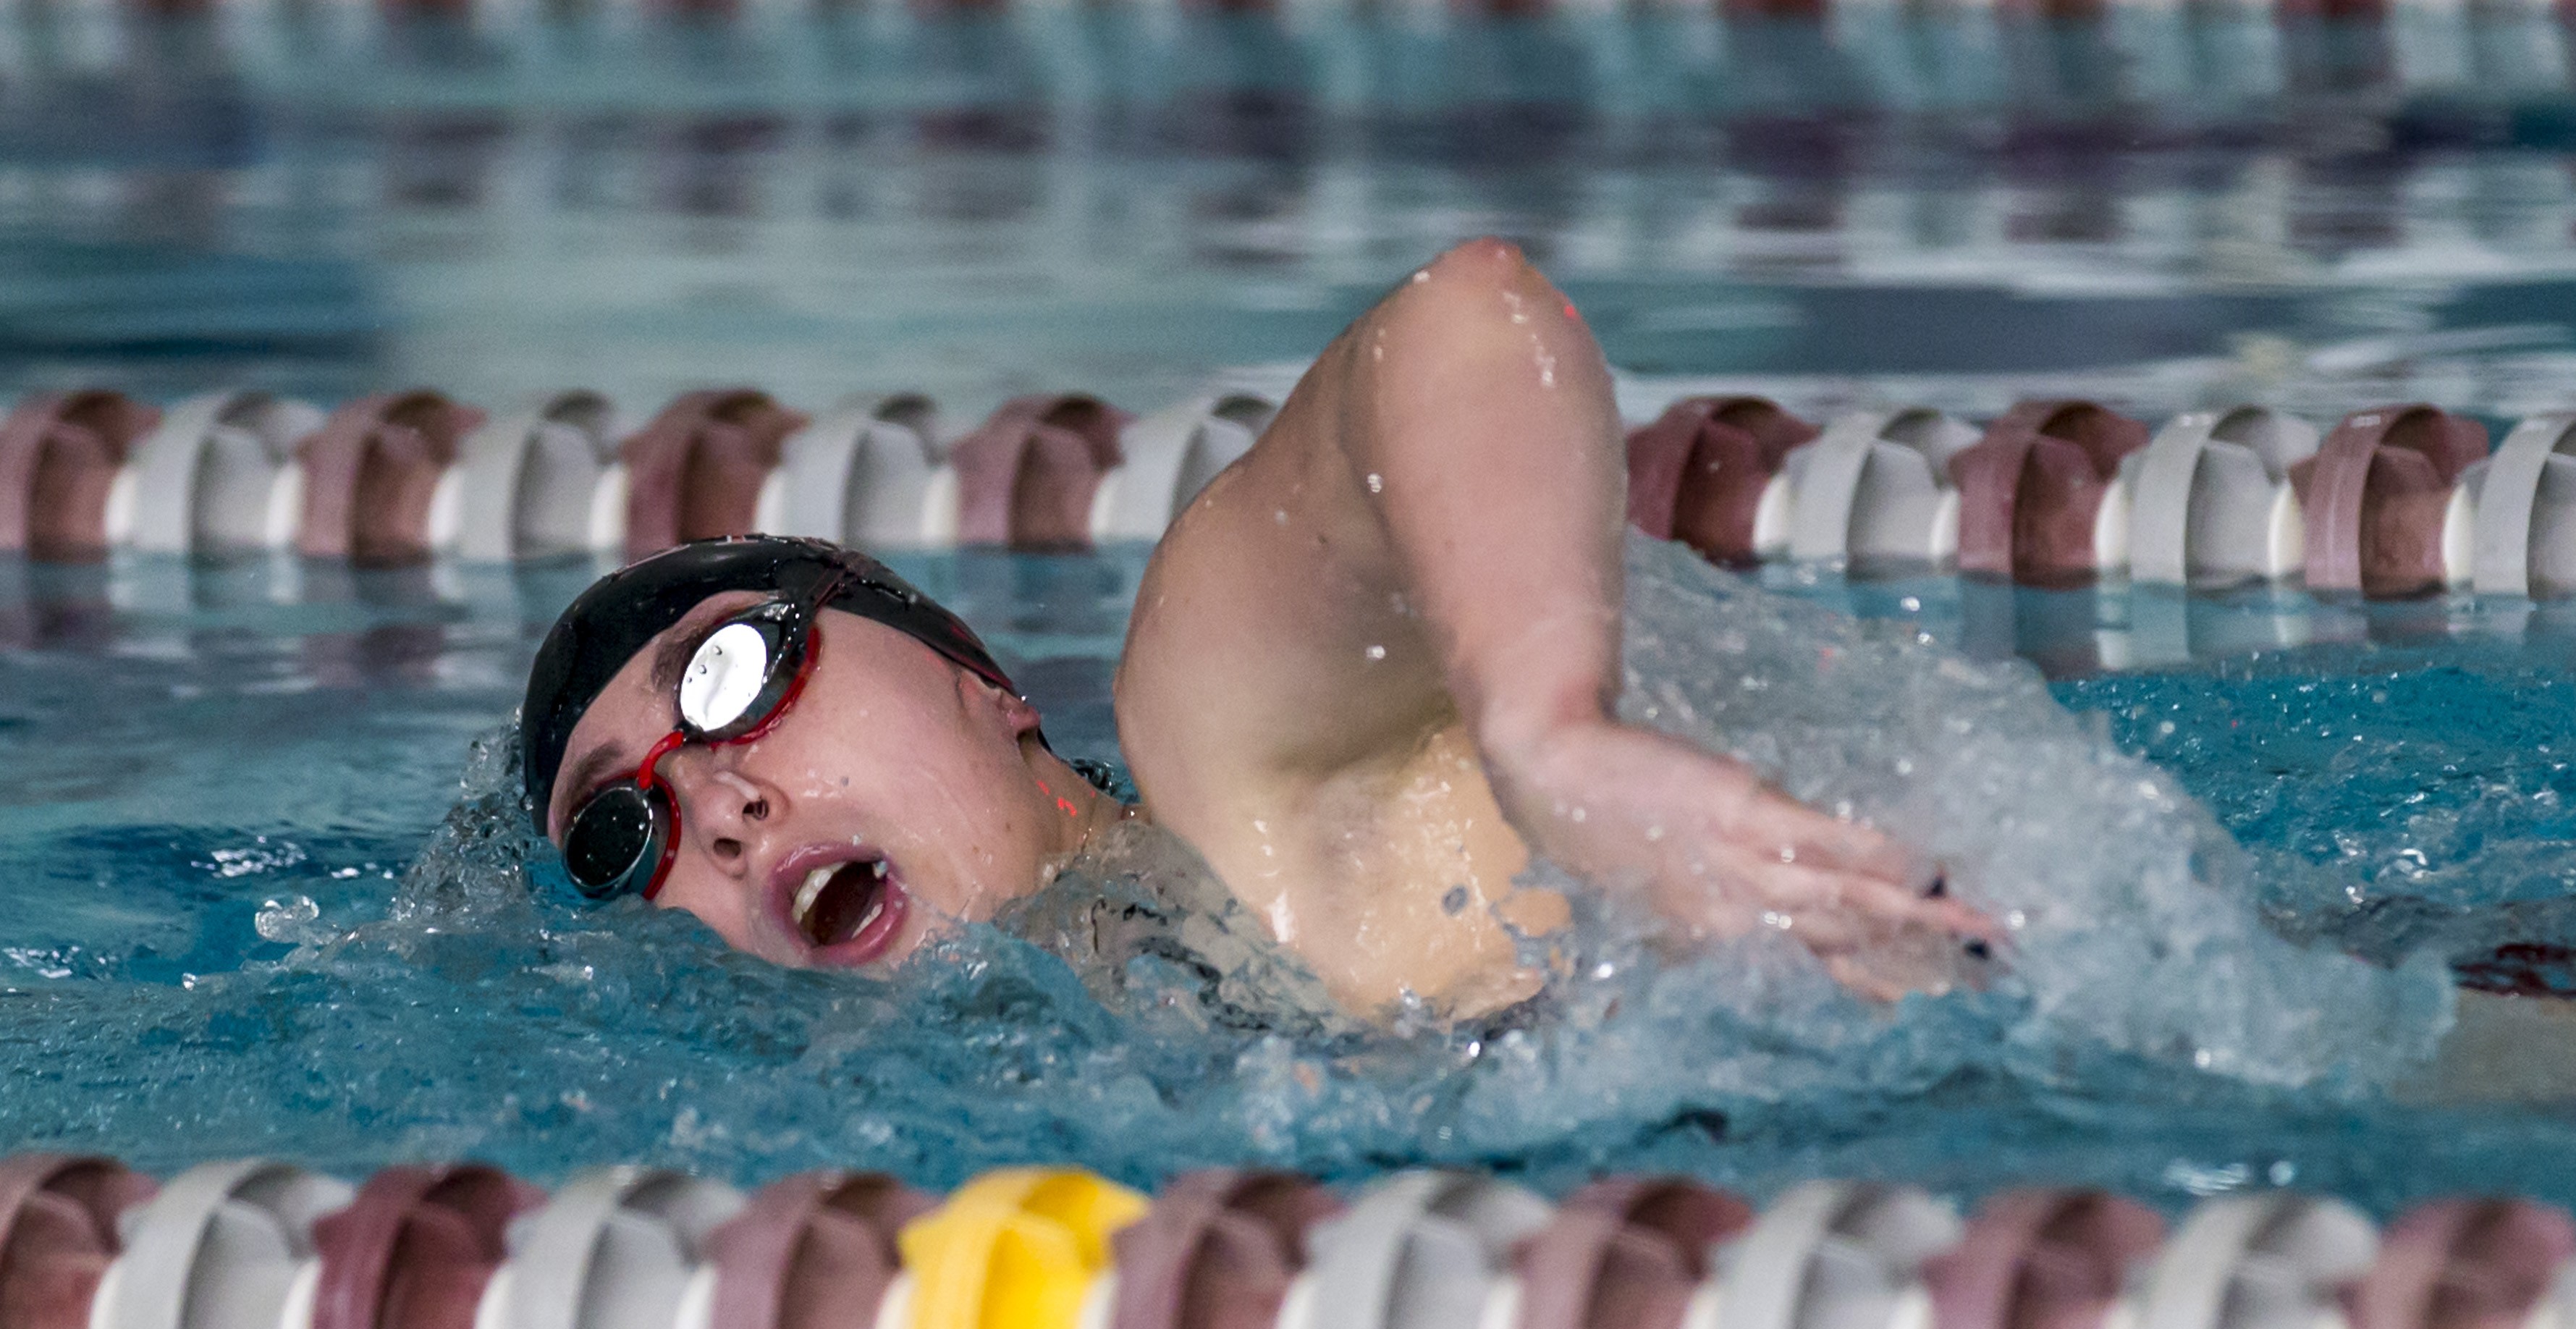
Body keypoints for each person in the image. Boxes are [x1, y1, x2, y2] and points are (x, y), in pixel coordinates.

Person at [520, 240, 2004, 1031]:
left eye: (734, 679)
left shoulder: (1241, 765)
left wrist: (1549, 730)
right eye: (617, 836)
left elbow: (1467, 317)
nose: (711, 803)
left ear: (984, 683)